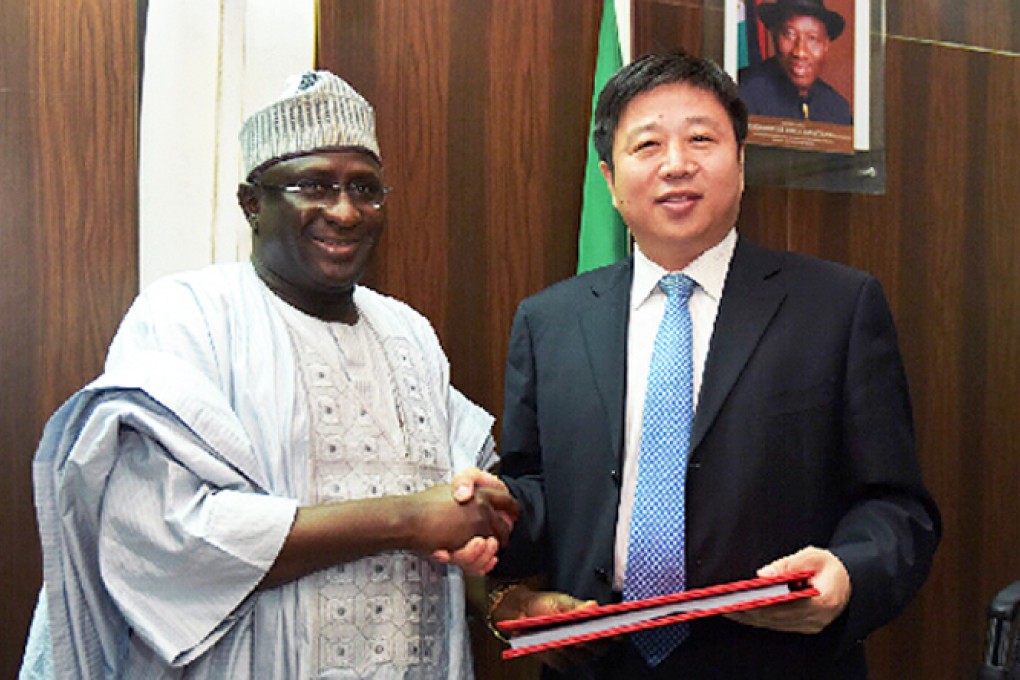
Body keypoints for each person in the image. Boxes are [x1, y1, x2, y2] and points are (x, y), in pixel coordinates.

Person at [453, 50, 940, 678]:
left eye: (701, 139)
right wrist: (496, 513)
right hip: (598, 662)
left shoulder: (838, 307)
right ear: (609, 178)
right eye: (647, 145)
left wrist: (847, 575)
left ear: (741, 162)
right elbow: (541, 493)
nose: (676, 165)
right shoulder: (549, 321)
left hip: (780, 661)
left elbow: (897, 507)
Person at [19, 70, 517, 679]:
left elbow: (456, 507)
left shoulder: (408, 331)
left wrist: (480, 530)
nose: (345, 211)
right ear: (252, 203)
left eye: (366, 188)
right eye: (313, 185)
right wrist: (409, 518)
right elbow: (166, 536)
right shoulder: (187, 315)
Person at [737, 0, 853, 125]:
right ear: (774, 36)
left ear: (825, 45)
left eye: (812, 38)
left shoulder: (837, 109)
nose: (800, 52)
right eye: (789, 35)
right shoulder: (744, 93)